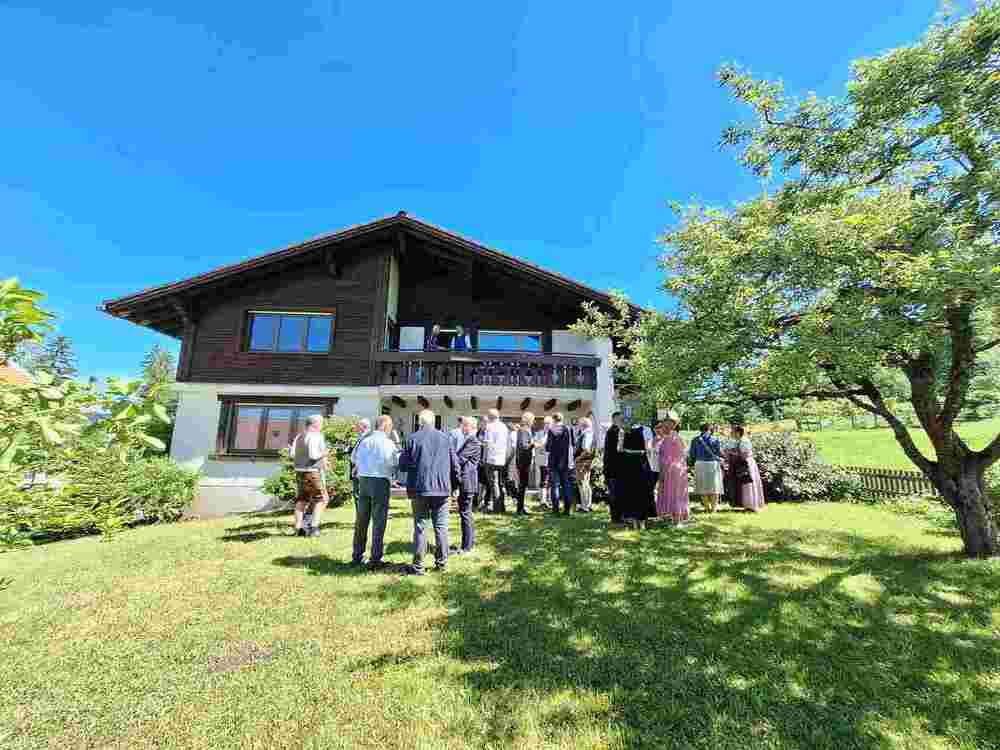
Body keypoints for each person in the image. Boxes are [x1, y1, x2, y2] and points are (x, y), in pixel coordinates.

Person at [398, 409, 460, 575]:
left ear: (419, 422)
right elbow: (455, 465)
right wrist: (454, 486)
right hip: (441, 489)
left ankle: (418, 566)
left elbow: (402, 465)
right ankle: (442, 564)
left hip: (420, 489)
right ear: (434, 421)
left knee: (420, 527)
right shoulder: (445, 438)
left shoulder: (412, 438)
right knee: (441, 527)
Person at [351, 415, 399, 568]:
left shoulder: (364, 440)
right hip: (380, 481)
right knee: (379, 520)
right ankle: (375, 558)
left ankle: (357, 555)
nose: (391, 429)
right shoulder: (388, 442)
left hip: (364, 480)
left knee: (361, 519)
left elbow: (354, 458)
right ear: (385, 426)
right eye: (390, 426)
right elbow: (393, 462)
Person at [290, 414, 330, 537]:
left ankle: (298, 528)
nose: (322, 425)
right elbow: (313, 455)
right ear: (315, 424)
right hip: (312, 471)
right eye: (321, 423)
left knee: (302, 499)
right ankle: (314, 528)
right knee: (321, 499)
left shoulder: (299, 436)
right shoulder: (316, 436)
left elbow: (292, 454)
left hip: (299, 471)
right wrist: (324, 453)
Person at [619, 419, 653, 530]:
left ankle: (633, 522)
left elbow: (619, 448)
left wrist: (628, 450)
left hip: (628, 463)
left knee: (630, 491)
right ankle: (642, 522)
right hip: (641, 462)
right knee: (643, 491)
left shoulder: (623, 430)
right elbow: (648, 449)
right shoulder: (646, 430)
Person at [453, 417, 481, 554]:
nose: (462, 428)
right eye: (462, 425)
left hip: (467, 481)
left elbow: (460, 459)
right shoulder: (469, 440)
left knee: (465, 513)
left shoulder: (473, 441)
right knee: (464, 512)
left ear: (473, 427)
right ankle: (466, 544)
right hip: (466, 481)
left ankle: (467, 546)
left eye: (465, 426)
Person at [657, 415, 690, 525]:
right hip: (680, 469)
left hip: (671, 469)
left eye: (663, 426)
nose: (661, 428)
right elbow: (684, 455)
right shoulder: (677, 437)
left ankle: (676, 519)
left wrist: (662, 472)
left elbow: (666, 458)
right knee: (678, 493)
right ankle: (677, 518)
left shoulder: (669, 439)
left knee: (672, 493)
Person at [689, 423, 724, 513]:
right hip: (713, 464)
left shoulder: (695, 440)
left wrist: (691, 464)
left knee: (702, 487)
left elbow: (692, 454)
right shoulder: (715, 439)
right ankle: (714, 508)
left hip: (700, 464)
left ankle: (707, 507)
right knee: (714, 487)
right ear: (710, 430)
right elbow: (719, 453)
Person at [545, 413, 575, 515]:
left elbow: (548, 447)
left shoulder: (551, 430)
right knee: (566, 485)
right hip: (565, 461)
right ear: (562, 419)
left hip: (553, 461)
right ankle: (567, 509)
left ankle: (555, 509)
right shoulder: (568, 429)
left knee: (555, 485)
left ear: (553, 419)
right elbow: (572, 444)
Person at [732, 425, 766, 512]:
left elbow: (744, 454)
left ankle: (752, 505)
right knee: (745, 484)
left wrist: (733, 453)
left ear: (738, 433)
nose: (731, 433)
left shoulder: (744, 441)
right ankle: (748, 505)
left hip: (746, 463)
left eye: (733, 432)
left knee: (748, 483)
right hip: (743, 463)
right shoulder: (739, 441)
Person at [483, 409, 510, 513]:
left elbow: (488, 443)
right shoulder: (504, 426)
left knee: (494, 484)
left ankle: (497, 508)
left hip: (492, 458)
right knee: (500, 483)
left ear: (490, 417)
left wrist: (483, 456)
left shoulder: (490, 426)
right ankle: (501, 507)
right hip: (502, 458)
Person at [603, 412, 624, 524]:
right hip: (615, 468)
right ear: (615, 419)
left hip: (612, 467)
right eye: (621, 419)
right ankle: (617, 517)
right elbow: (619, 450)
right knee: (616, 494)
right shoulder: (615, 432)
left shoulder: (612, 431)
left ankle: (617, 517)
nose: (622, 422)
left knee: (615, 493)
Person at [513, 412, 535, 515]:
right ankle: (520, 509)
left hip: (523, 461)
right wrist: (533, 444)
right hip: (523, 461)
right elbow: (524, 446)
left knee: (523, 485)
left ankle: (520, 507)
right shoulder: (523, 431)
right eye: (532, 420)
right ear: (528, 420)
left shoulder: (523, 430)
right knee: (522, 485)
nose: (533, 422)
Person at [574, 417, 596, 512]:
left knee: (582, 483)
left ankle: (584, 506)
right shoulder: (590, 433)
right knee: (586, 483)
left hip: (582, 461)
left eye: (579, 424)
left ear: (583, 425)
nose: (578, 426)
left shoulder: (586, 434)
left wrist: (578, 458)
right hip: (587, 461)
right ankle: (588, 504)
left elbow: (586, 449)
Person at [349, 418, 372, 503]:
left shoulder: (367, 438)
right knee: (357, 494)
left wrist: (356, 467)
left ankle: (361, 511)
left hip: (360, 470)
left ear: (363, 426)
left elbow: (364, 455)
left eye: (358, 425)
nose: (357, 427)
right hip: (358, 469)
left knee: (359, 495)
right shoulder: (362, 437)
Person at [534, 416, 552, 504]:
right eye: (545, 423)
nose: (547, 425)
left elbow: (542, 443)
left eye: (548, 423)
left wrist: (539, 444)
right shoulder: (539, 433)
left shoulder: (553, 434)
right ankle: (543, 500)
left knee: (550, 480)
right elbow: (535, 442)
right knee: (543, 479)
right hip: (541, 459)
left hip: (551, 460)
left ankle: (549, 499)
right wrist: (538, 444)